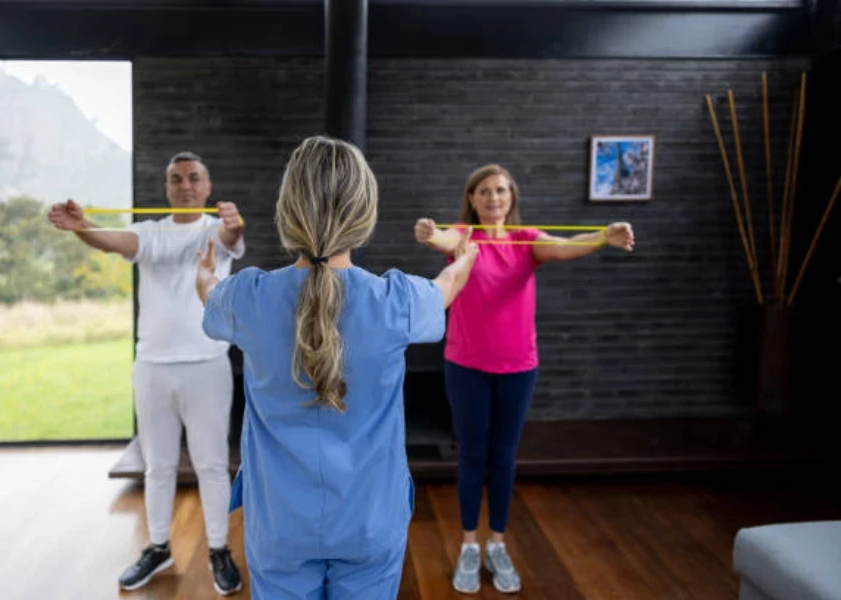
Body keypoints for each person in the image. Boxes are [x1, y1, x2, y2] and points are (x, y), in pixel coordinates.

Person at [194, 135, 479, 599]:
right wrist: (464, 257)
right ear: (363, 214)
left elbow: (209, 293)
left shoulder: (247, 297)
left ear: (288, 211)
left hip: (280, 526)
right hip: (371, 522)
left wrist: (204, 272)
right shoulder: (398, 300)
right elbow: (446, 287)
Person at [414, 164, 634, 594]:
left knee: (504, 458)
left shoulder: (528, 242)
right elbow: (442, 238)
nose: (493, 198)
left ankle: (497, 542)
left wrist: (604, 236)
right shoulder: (465, 238)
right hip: (466, 367)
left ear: (511, 197)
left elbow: (567, 246)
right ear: (472, 200)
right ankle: (468, 546)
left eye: (500, 191)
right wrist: (429, 233)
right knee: (471, 457)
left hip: (518, 369)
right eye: (484, 192)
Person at [47, 151, 246, 595]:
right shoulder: (149, 233)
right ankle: (158, 548)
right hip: (153, 366)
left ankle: (218, 550)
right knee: (157, 466)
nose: (186, 185)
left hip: (207, 365)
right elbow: (111, 241)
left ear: (208, 187)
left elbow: (234, 235)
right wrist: (83, 227)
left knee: (212, 465)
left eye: (194, 178)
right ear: (168, 188)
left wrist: (234, 221)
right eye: (177, 179)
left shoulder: (217, 229)